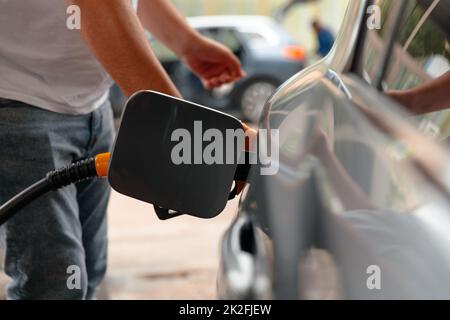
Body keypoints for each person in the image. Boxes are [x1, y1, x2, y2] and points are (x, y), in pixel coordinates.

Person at [0, 0, 244, 299]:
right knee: (54, 286)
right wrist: (188, 130)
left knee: (85, 274)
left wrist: (187, 44)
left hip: (93, 105)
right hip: (17, 106)